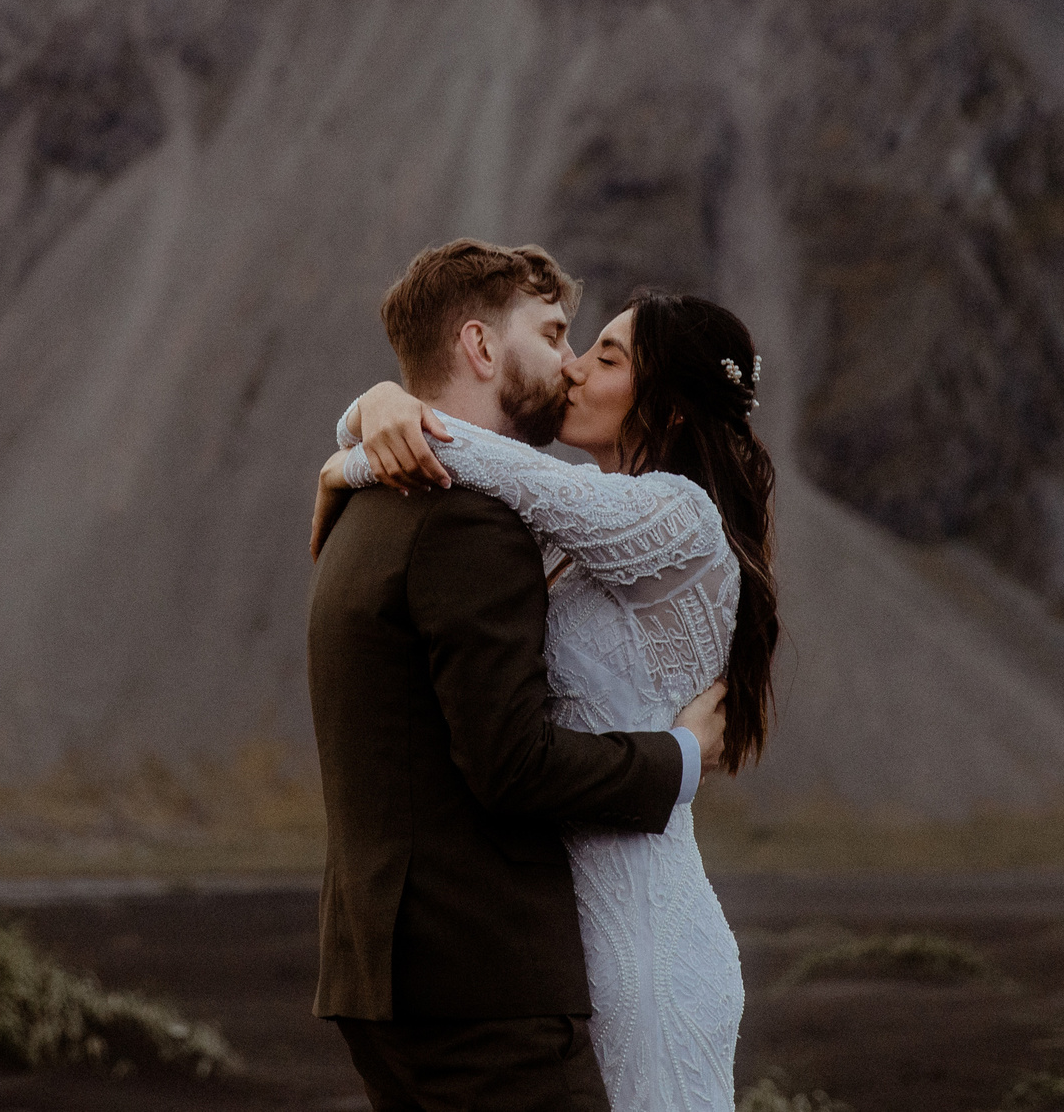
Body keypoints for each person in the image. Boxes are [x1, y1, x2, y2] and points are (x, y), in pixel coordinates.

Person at [315, 247, 780, 1112]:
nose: (572, 366)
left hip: (643, 942)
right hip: (562, 941)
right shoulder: (576, 521)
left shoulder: (676, 515)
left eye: (604, 356)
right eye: (574, 342)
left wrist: (358, 440)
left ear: (666, 407)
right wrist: (372, 421)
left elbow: (482, 458)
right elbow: (474, 462)